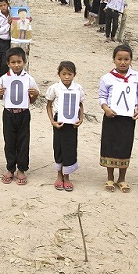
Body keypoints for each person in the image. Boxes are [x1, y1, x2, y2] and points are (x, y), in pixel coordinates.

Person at [98, 45, 138, 193]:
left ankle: (122, 178)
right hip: (112, 117)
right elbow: (102, 97)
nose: (123, 62)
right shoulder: (106, 78)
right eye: (119, 59)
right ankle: (110, 177)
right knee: (110, 145)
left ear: (131, 60)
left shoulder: (137, 77)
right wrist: (106, 109)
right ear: (114, 60)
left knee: (125, 146)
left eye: (126, 59)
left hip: (128, 118)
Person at [0, 47, 39, 186]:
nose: (16, 65)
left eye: (19, 61)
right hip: (8, 113)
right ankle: (10, 168)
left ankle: (21, 168)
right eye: (13, 62)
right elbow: (1, 97)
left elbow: (31, 100)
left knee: (23, 140)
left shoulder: (29, 79)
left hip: (23, 113)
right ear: (8, 63)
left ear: (24, 61)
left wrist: (35, 95)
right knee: (9, 141)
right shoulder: (4, 78)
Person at [45, 60, 84, 192]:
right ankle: (59, 175)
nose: (67, 77)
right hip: (59, 121)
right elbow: (49, 105)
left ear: (74, 75)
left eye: (70, 74)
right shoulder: (55, 88)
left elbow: (80, 105)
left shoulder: (78, 88)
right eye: (64, 74)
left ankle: (67, 176)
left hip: (72, 122)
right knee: (58, 147)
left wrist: (81, 118)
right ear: (59, 74)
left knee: (70, 148)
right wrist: (52, 121)